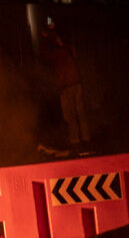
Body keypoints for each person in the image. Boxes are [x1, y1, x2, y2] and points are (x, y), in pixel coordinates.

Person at [38, 20, 91, 151]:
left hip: (67, 86)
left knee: (70, 115)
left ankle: (75, 140)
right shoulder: (69, 49)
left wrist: (45, 37)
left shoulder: (58, 53)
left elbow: (45, 54)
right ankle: (86, 138)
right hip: (77, 84)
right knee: (81, 113)